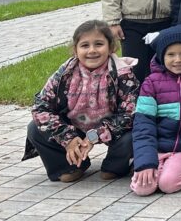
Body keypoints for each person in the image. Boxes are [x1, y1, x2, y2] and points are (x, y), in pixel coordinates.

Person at [23, 20, 138, 183]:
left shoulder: (123, 74)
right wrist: (67, 137)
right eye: (85, 45)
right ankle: (71, 165)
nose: (92, 50)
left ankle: (114, 166)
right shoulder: (65, 73)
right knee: (34, 128)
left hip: (111, 128)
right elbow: (41, 106)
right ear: (75, 50)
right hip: (73, 127)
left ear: (111, 47)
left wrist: (95, 135)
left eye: (99, 44)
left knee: (134, 132)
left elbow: (130, 113)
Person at [130, 25, 181, 196]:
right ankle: (155, 164)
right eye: (171, 54)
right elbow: (143, 125)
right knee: (143, 189)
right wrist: (146, 162)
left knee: (168, 185)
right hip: (156, 147)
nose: (178, 59)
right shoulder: (151, 83)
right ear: (162, 56)